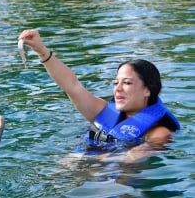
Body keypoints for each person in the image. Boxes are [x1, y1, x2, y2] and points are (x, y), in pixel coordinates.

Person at [18, 29, 180, 162]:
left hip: (115, 184)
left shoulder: (159, 132)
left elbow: (131, 158)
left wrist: (86, 161)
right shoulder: (102, 111)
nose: (118, 89)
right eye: (116, 83)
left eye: (127, 83)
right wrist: (41, 50)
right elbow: (72, 86)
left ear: (147, 90)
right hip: (83, 169)